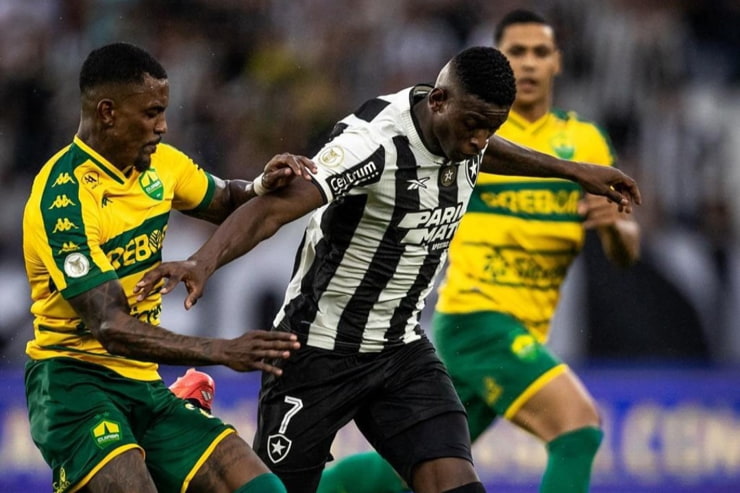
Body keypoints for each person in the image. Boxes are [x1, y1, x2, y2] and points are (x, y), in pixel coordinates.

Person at [135, 45, 641, 493]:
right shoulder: (372, 144)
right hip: (316, 350)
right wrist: (204, 261)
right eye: (472, 126)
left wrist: (573, 171)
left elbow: (484, 142)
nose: (478, 141)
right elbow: (274, 208)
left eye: (492, 129)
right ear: (438, 102)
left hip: (400, 352)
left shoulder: (466, 128)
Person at [315, 10, 641, 493]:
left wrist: (615, 229)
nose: (528, 64)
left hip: (522, 328)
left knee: (410, 473)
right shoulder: (471, 132)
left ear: (558, 63)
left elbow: (625, 250)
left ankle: (329, 488)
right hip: (476, 318)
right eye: (516, 53)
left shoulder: (584, 141)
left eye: (540, 52)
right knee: (578, 428)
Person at [22, 42, 317, 493]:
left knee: (262, 488)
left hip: (143, 382)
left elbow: (226, 201)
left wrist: (263, 182)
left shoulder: (162, 164)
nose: (163, 126)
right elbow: (109, 325)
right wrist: (219, 351)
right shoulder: (63, 200)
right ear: (107, 112)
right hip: (73, 383)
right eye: (152, 113)